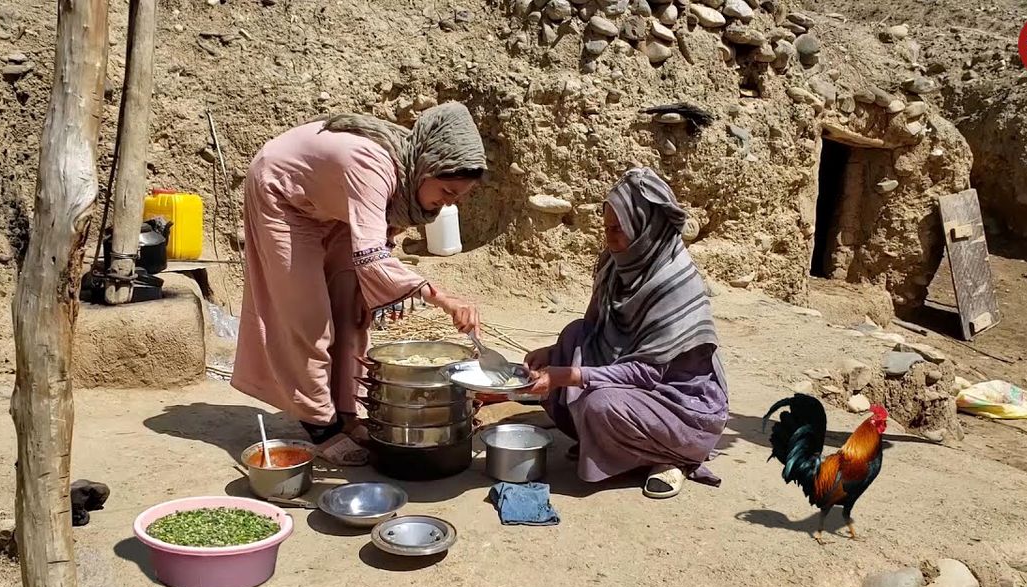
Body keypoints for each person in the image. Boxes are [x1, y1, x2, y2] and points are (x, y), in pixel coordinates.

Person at [232, 103, 486, 465]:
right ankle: (320, 424)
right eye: (446, 192)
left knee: (352, 309)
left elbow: (377, 244)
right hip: (283, 194)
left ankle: (347, 413)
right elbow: (370, 256)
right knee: (308, 316)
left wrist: (383, 291)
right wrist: (441, 297)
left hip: (329, 203)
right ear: (427, 166)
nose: (447, 205)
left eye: (457, 199)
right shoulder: (370, 165)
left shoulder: (409, 174)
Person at [523, 167, 729, 499]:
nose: (610, 239)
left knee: (599, 405)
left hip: (676, 402)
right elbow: (593, 324)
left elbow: (647, 372)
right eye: (606, 229)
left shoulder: (673, 283)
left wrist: (563, 375)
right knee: (573, 336)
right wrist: (552, 354)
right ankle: (610, 446)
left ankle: (672, 456)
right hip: (635, 383)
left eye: (618, 229)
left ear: (645, 226)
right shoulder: (615, 264)